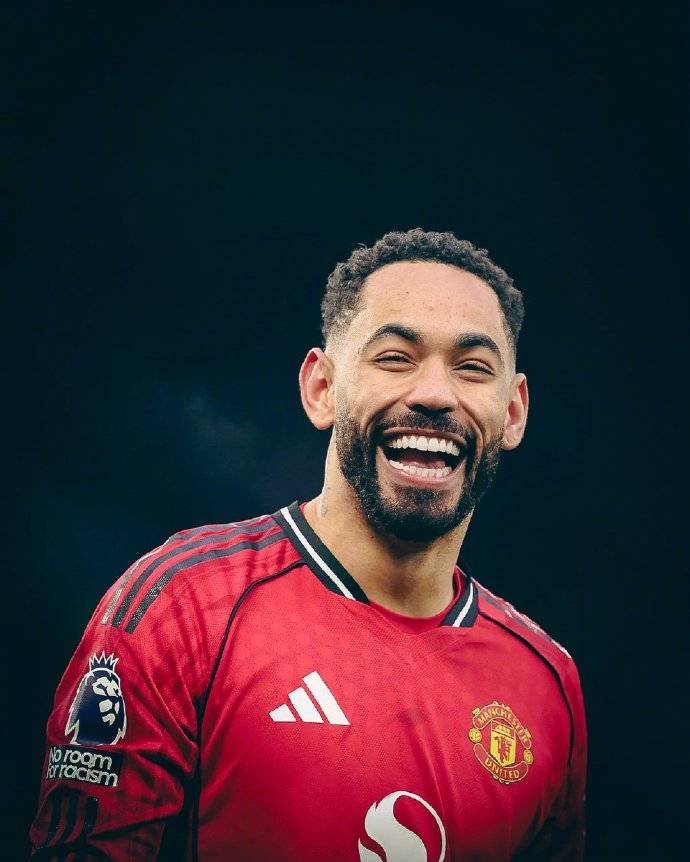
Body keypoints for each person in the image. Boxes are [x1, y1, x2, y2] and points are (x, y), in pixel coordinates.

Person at [30, 229, 586, 861]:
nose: (435, 394)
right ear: (321, 389)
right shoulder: (183, 607)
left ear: (512, 412)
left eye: (473, 367)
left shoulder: (546, 681)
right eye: (395, 358)